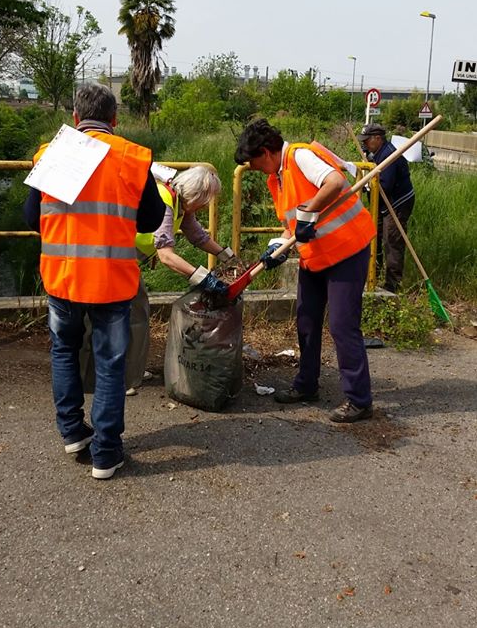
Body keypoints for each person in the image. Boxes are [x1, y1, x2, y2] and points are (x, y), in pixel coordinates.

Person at [23, 82, 167, 480]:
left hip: (62, 278)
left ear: (74, 118)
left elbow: (31, 219)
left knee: (64, 352)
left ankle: (72, 432)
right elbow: (151, 221)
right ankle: (106, 452)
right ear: (115, 120)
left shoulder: (52, 153)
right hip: (111, 282)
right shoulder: (133, 158)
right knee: (109, 364)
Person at [234, 119, 376, 423]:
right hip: (315, 256)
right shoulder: (277, 179)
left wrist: (310, 209)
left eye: (253, 161)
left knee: (342, 325)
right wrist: (278, 247)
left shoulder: (299, 156)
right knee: (307, 320)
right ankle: (307, 385)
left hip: (347, 250)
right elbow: (293, 226)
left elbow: (335, 182)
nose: (254, 168)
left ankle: (359, 400)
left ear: (266, 152)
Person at [125, 165, 234, 394]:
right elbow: (167, 256)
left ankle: (129, 370)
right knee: (134, 315)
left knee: (134, 314)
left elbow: (197, 236)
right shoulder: (166, 202)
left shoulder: (179, 203)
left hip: (127, 259)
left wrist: (227, 255)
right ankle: (124, 377)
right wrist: (203, 278)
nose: (206, 206)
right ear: (196, 195)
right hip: (119, 259)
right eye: (206, 200)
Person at [358, 123, 415, 294]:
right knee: (374, 236)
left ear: (377, 138)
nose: (364, 144)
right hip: (381, 202)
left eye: (367, 140)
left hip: (397, 203)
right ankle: (373, 275)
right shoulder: (376, 154)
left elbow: (384, 186)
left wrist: (366, 183)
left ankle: (392, 285)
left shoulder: (390, 156)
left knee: (392, 241)